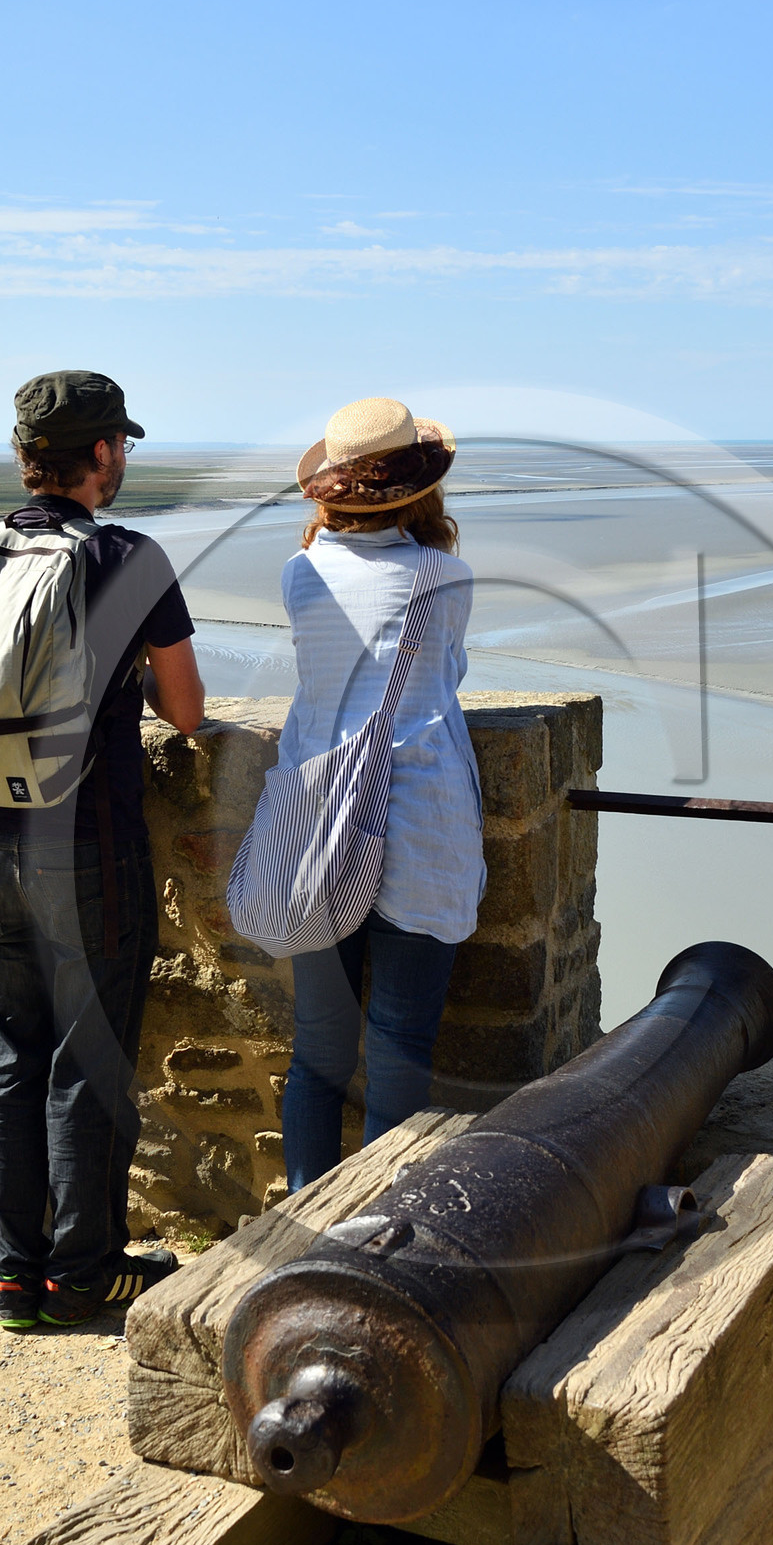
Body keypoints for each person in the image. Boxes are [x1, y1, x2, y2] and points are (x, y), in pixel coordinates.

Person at [0, 371, 206, 1331]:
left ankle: (15, 1277)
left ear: (23, 457)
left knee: (11, 1055)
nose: (123, 457)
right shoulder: (127, 556)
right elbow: (187, 710)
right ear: (100, 454)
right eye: (120, 443)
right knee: (87, 1060)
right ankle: (84, 1273)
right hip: (87, 844)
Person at [276, 396, 487, 1189]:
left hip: (317, 820)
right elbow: (446, 674)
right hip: (417, 819)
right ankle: (374, 1215)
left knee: (319, 1047)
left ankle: (304, 1209)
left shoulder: (300, 575)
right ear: (421, 490)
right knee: (399, 1043)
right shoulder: (445, 577)